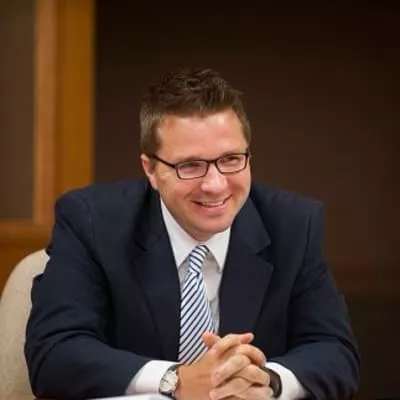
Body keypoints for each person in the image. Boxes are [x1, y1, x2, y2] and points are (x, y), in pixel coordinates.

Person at [25, 67, 360, 400]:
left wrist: (266, 381)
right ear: (151, 170)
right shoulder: (92, 221)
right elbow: (54, 353)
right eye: (190, 166)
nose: (215, 185)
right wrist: (176, 380)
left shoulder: (294, 224)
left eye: (231, 159)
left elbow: (335, 352)